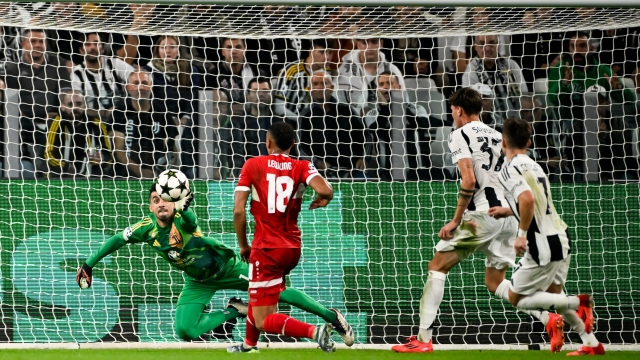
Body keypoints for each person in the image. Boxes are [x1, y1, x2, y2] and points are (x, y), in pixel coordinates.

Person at [76, 183, 353, 344]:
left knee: (278, 291)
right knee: (185, 331)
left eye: (166, 200)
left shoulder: (182, 218)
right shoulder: (145, 229)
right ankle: (236, 311)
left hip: (227, 268)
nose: (161, 204)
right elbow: (116, 239)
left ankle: (331, 316)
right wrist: (89, 264)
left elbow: (192, 221)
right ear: (150, 206)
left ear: (174, 204)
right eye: (155, 200)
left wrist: (185, 206)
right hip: (197, 281)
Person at [391, 87, 547, 353]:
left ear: (459, 110)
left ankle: (423, 339)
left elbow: (469, 179)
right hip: (509, 217)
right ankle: (548, 317)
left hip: (483, 214)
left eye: (452, 110)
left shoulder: (459, 134)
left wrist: (455, 220)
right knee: (495, 282)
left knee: (437, 266)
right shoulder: (501, 137)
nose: (452, 115)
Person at [490, 118, 605, 355]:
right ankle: (591, 343)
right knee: (554, 295)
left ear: (503, 141)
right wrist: (508, 209)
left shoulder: (508, 168)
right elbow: (535, 200)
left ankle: (579, 302)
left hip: (541, 241)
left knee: (515, 298)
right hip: (561, 236)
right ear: (529, 141)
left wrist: (521, 236)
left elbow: (528, 200)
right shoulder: (534, 164)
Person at [231, 122, 347, 353]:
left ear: (268, 142)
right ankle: (249, 345)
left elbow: (238, 210)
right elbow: (325, 190)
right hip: (291, 248)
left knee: (265, 318)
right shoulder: (302, 166)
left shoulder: (253, 165)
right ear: (293, 144)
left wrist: (244, 246)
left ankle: (315, 332)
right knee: (257, 295)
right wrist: (325, 198)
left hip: (266, 248)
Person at [3, 28, 71, 178]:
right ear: (23, 44)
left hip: (53, 120)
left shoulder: (58, 63)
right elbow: (12, 100)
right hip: (24, 122)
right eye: (33, 41)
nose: (38, 45)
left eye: (41, 41)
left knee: (64, 120)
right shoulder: (13, 68)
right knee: (15, 122)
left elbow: (66, 92)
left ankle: (59, 173)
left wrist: (63, 106)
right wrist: (24, 117)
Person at [145, 35, 202, 178]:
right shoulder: (148, 71)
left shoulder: (191, 71)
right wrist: (169, 118)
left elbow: (193, 98)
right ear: (157, 50)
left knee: (188, 134)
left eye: (172, 46)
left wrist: (185, 117)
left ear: (178, 50)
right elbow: (152, 101)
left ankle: (189, 173)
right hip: (159, 121)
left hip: (185, 122)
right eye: (163, 47)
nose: (167, 50)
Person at [299, 70, 367, 178]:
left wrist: (362, 157)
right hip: (320, 173)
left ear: (331, 88)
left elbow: (365, 136)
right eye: (316, 84)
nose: (320, 87)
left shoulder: (347, 110)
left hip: (353, 169)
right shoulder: (305, 116)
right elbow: (300, 148)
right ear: (310, 89)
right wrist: (317, 163)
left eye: (324, 83)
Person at [111, 70, 178, 178]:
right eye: (136, 83)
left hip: (157, 171)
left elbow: (172, 149)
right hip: (125, 174)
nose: (141, 87)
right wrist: (139, 171)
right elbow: (118, 150)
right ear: (128, 88)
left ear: (151, 87)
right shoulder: (120, 112)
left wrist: (166, 172)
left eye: (145, 83)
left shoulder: (162, 112)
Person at [462, 34, 528, 127]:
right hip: (487, 127)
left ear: (498, 45)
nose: (487, 48)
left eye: (492, 43)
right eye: (482, 44)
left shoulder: (512, 65)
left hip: (517, 124)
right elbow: (471, 109)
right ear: (475, 47)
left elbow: (524, 97)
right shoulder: (470, 72)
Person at [44, 89, 113, 178]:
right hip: (61, 178)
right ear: (63, 107)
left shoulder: (97, 125)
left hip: (91, 180)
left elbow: (109, 157)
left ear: (85, 106)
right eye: (70, 104)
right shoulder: (55, 123)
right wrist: (67, 167)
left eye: (79, 104)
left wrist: (102, 159)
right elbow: (48, 154)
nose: (75, 108)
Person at [71, 32, 134, 123]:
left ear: (103, 48)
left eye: (96, 43)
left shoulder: (115, 64)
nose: (92, 47)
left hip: (123, 118)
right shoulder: (76, 74)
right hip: (93, 122)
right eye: (88, 44)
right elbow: (78, 107)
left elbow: (137, 78)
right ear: (81, 50)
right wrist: (105, 113)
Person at [274, 39, 335, 125]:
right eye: (322, 52)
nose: (327, 57)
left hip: (319, 123)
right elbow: (278, 107)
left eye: (330, 52)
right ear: (311, 51)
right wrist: (304, 121)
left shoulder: (327, 72)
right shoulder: (291, 71)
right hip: (293, 123)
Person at [338, 38, 405, 115]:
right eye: (364, 43)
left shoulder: (393, 70)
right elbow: (339, 105)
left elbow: (403, 102)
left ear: (381, 44)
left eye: (374, 42)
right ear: (358, 45)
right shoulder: (344, 71)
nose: (369, 47)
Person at [245, 77, 278, 157]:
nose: (260, 94)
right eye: (255, 91)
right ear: (248, 97)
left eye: (265, 91)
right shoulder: (240, 123)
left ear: (272, 96)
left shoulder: (281, 123)